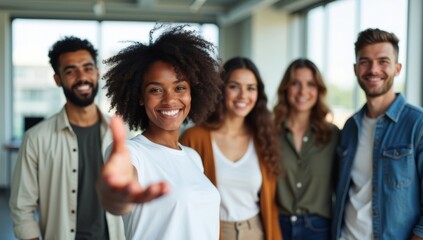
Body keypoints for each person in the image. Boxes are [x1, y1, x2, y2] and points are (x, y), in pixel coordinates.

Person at [96, 25, 223, 240]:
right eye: (155, 90)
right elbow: (119, 199)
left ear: (193, 93)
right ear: (140, 97)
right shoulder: (131, 153)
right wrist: (117, 193)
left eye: (180, 88)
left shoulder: (193, 157)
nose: (170, 99)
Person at [9, 36, 125, 239]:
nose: (82, 77)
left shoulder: (119, 133)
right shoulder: (36, 138)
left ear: (97, 73)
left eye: (88, 68)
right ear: (57, 79)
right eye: (71, 71)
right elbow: (22, 208)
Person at [332, 28, 423, 240]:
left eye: (383, 61)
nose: (373, 69)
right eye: (365, 61)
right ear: (355, 69)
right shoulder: (350, 127)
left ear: (397, 68)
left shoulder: (417, 124)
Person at [180, 57, 282, 240]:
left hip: (255, 231)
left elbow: (270, 204)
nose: (243, 96)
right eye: (234, 86)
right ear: (221, 89)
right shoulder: (194, 138)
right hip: (213, 232)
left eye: (251, 88)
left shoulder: (263, 137)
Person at [273, 58, 339, 240]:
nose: (303, 91)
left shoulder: (333, 136)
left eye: (310, 84)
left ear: (318, 90)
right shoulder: (269, 133)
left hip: (319, 230)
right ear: (286, 88)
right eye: (295, 83)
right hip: (277, 226)